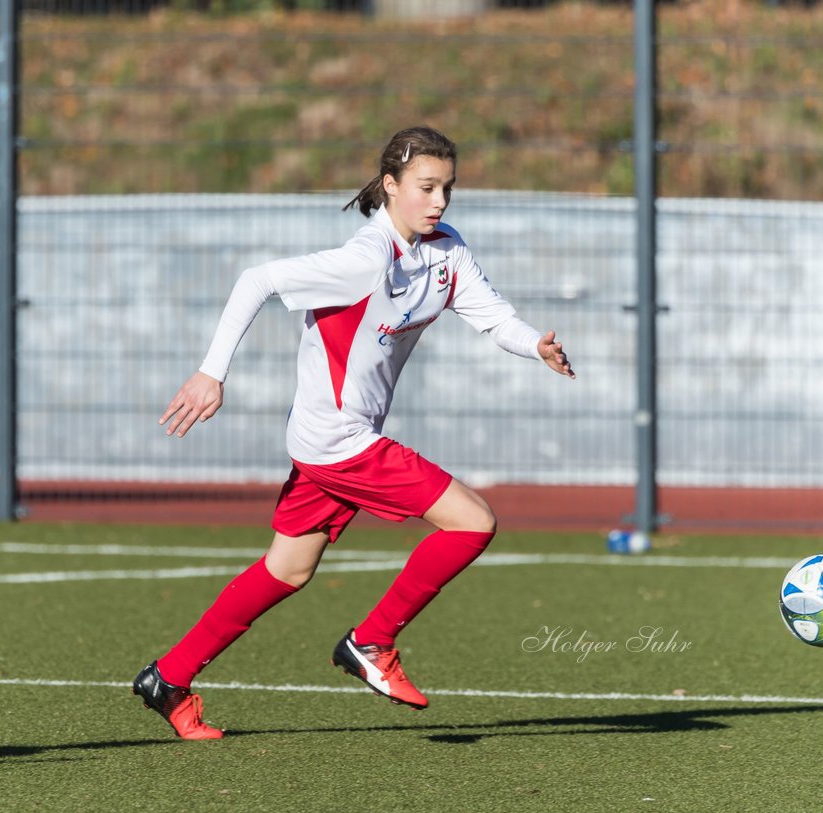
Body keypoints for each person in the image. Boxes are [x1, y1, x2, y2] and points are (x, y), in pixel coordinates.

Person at [132, 126, 575, 740]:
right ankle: (372, 642)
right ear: (390, 186)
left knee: (287, 570)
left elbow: (494, 318)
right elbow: (256, 280)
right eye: (425, 187)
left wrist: (536, 346)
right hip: (338, 440)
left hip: (333, 441)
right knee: (473, 521)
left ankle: (168, 678)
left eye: (447, 188)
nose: (439, 201)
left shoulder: (445, 251)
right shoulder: (365, 259)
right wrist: (212, 373)